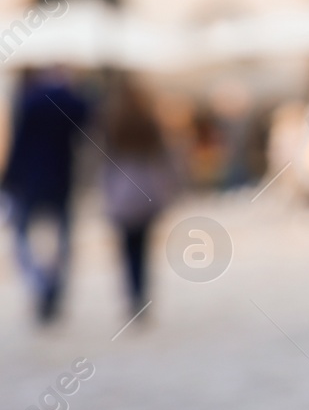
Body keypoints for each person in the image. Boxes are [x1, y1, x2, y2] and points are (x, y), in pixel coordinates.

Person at [2, 67, 90, 323]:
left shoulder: (28, 102)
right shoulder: (70, 101)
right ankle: (54, 287)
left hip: (30, 181)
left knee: (22, 238)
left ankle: (41, 283)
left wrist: (9, 178)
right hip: (62, 180)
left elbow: (20, 144)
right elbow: (86, 123)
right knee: (62, 239)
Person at [101, 77, 179, 320]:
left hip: (122, 184)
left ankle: (133, 296)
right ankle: (142, 296)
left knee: (127, 247)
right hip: (145, 184)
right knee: (143, 247)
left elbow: (103, 156)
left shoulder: (112, 122)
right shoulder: (148, 120)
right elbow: (163, 154)